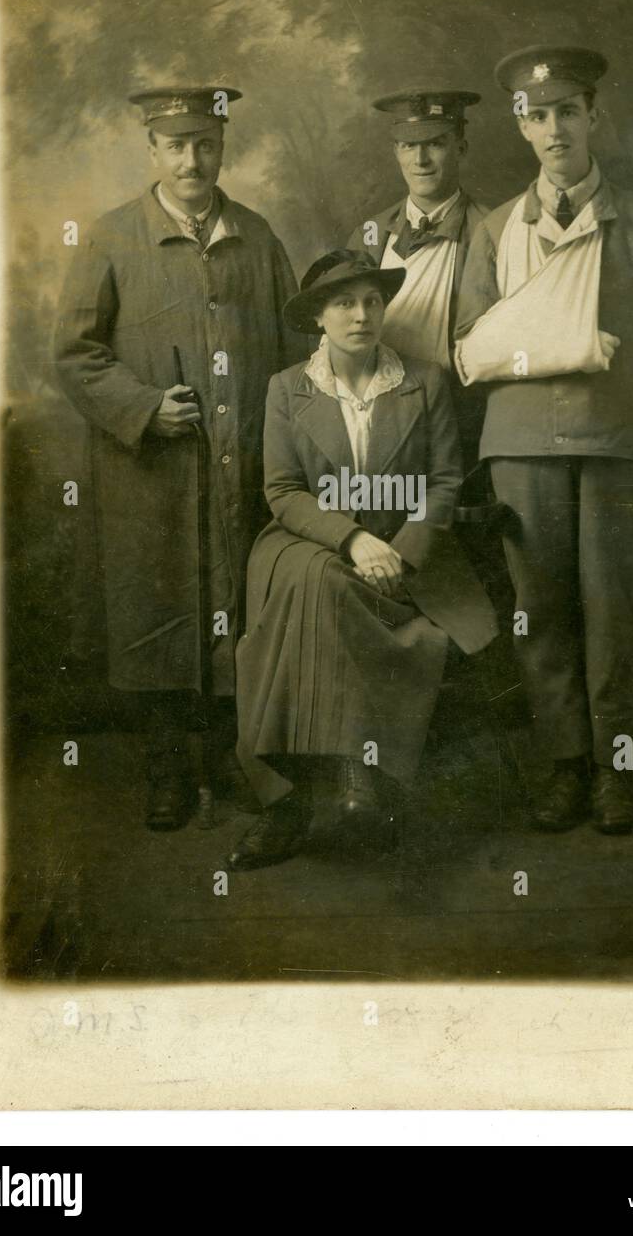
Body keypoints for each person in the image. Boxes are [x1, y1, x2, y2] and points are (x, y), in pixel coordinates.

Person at [55, 84, 307, 830]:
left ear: (222, 148)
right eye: (176, 146)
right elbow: (74, 354)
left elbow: (297, 351)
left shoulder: (257, 238)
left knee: (241, 605)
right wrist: (143, 407)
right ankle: (169, 769)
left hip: (246, 467)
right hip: (152, 475)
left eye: (205, 144)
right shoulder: (110, 237)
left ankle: (241, 759)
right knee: (161, 609)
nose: (192, 159)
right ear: (152, 152)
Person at [455, 46, 633, 834]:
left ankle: (617, 769)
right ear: (522, 127)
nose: (554, 130)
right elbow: (472, 346)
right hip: (519, 446)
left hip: (615, 444)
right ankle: (561, 764)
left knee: (612, 609)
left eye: (567, 112)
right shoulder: (494, 231)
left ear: (594, 117)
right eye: (538, 116)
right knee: (539, 610)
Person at [228, 250, 499, 871]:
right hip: (308, 541)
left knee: (324, 591)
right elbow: (283, 491)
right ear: (318, 317)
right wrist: (351, 539)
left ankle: (289, 801)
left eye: (373, 301)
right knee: (319, 576)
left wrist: (402, 551)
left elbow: (445, 483)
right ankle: (355, 772)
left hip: (405, 550)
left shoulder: (422, 381)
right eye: (344, 303)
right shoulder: (286, 389)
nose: (361, 315)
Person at [346, 84, 491, 467]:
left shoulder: (491, 230)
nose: (421, 159)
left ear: (460, 146)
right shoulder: (372, 232)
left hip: (460, 421)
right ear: (396, 151)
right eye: (409, 145)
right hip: (379, 420)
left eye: (435, 143)